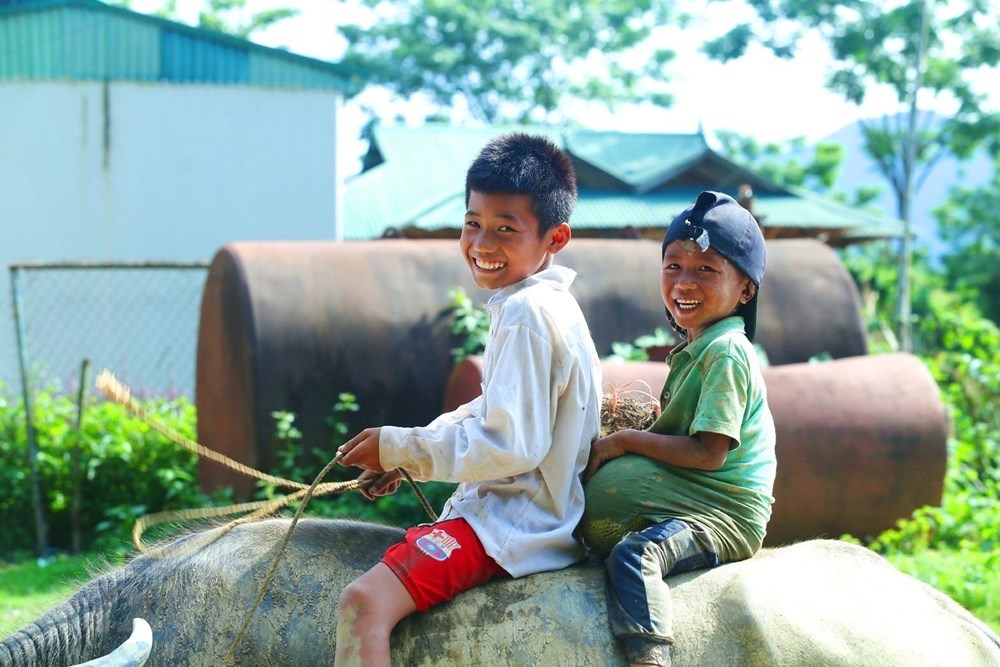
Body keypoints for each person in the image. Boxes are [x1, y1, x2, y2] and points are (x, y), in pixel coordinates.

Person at [333, 132, 603, 667]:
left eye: (507, 228)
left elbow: (512, 444)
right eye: (473, 223)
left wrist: (400, 447)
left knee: (362, 604)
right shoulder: (536, 304)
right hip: (515, 512)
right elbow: (490, 410)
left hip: (514, 525)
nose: (482, 243)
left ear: (555, 237)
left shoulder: (527, 314)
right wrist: (406, 450)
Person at [581, 190, 777, 666]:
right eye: (673, 267)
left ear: (745, 289)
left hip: (720, 515)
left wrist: (623, 441)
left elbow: (709, 453)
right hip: (691, 501)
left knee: (636, 556)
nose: (684, 282)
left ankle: (649, 656)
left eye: (706, 269)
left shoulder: (727, 351)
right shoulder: (698, 349)